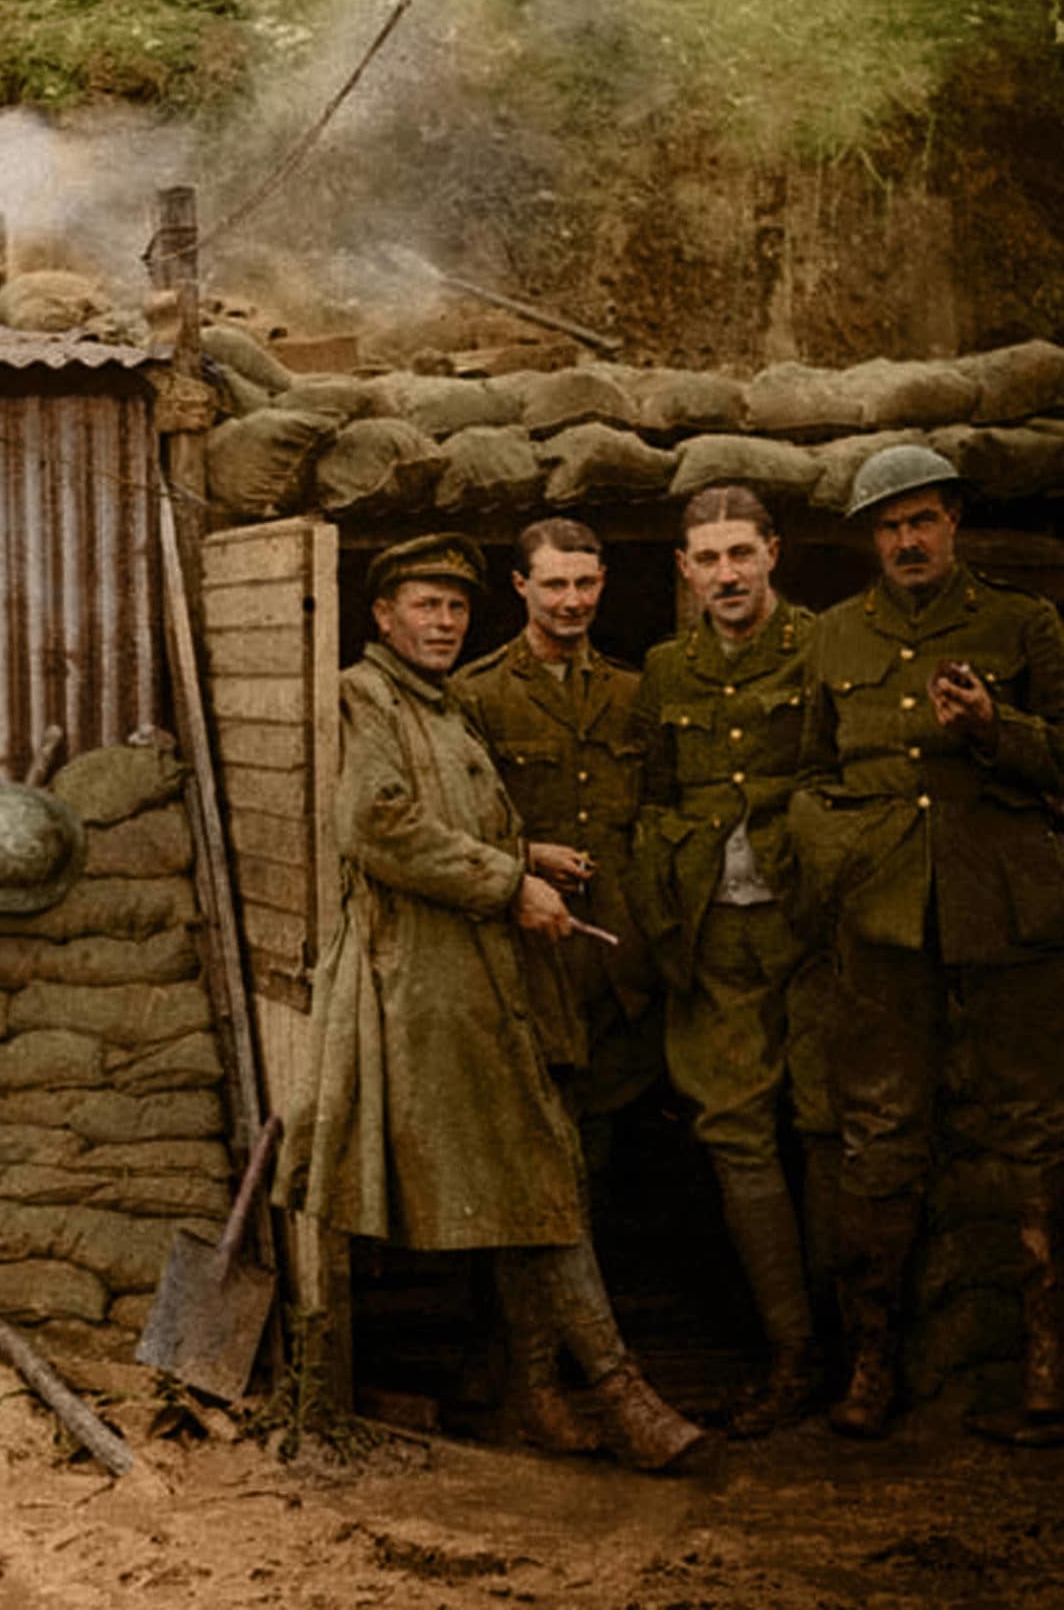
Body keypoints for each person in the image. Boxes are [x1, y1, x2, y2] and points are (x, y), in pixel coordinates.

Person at [277, 532, 705, 1471]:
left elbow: (454, 814)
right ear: (381, 616)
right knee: (541, 1172)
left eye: (455, 608)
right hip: (423, 983)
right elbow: (378, 823)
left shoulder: (437, 704)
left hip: (475, 974)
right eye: (424, 606)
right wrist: (509, 884)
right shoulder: (366, 697)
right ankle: (620, 1396)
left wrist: (529, 852)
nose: (442, 622)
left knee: (532, 1177)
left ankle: (538, 1394)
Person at [795, 444, 1064, 1442]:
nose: (906, 540)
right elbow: (808, 774)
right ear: (870, 539)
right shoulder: (831, 636)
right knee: (877, 1133)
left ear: (954, 522)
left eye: (922, 520)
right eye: (888, 525)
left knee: (1032, 1131)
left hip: (1007, 911)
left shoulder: (1022, 623)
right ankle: (871, 1362)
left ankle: (1045, 1359)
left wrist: (997, 729)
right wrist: (830, 863)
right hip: (879, 915)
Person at [630, 485, 836, 1438]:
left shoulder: (824, 648)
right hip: (717, 932)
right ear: (683, 570)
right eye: (706, 559)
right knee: (735, 1132)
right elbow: (658, 798)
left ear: (774, 555)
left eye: (740, 555)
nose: (726, 575)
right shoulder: (667, 671)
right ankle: (791, 1351)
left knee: (837, 1121)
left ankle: (866, 1350)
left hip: (815, 926)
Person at [451, 518, 660, 1170]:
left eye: (585, 583)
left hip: (619, 952)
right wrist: (528, 853)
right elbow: (457, 824)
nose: (572, 601)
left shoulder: (634, 689)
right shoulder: (474, 694)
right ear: (520, 586)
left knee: (608, 1131)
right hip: (529, 955)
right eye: (554, 585)